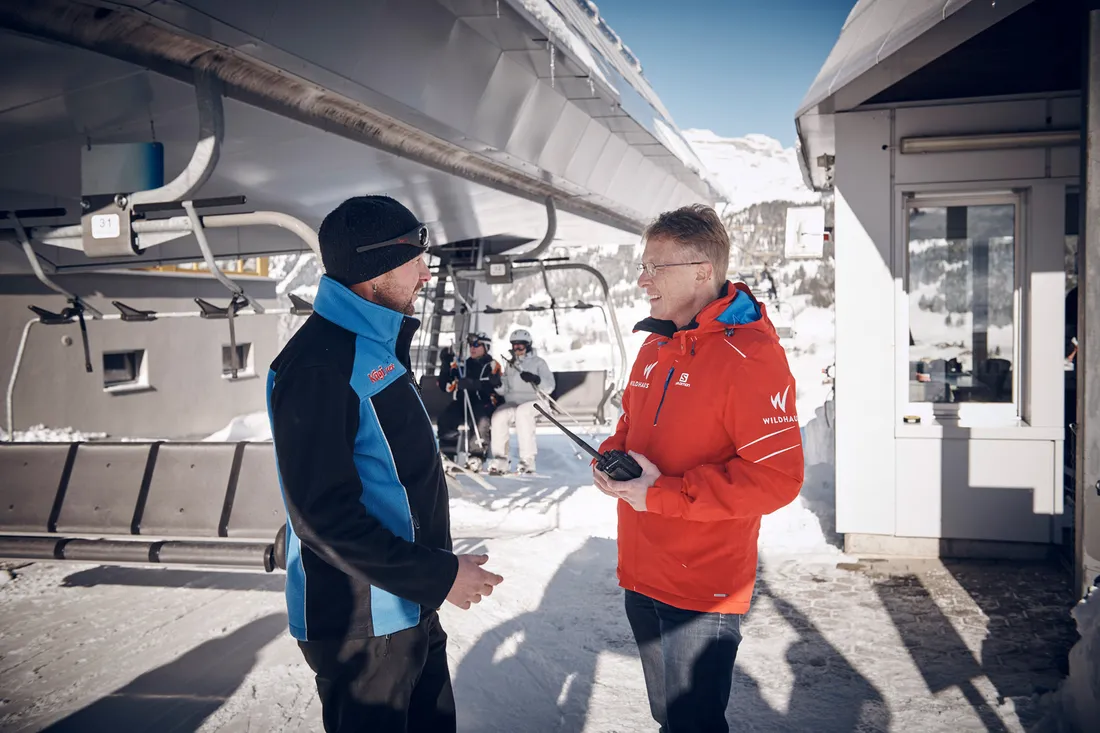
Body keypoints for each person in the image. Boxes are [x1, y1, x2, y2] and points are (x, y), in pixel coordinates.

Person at [267, 195, 504, 733]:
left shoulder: (373, 349)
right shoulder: (318, 366)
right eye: (414, 259)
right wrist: (438, 575)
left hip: (409, 608)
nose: (425, 274)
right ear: (372, 267)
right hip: (361, 628)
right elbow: (322, 518)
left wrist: (434, 571)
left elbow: (389, 482)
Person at [592, 204, 804, 732]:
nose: (641, 281)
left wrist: (658, 494)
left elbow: (778, 478)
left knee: (693, 724)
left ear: (702, 272)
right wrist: (611, 456)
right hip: (642, 572)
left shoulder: (750, 358)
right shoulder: (656, 345)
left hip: (701, 587)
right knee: (669, 717)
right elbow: (632, 424)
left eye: (654, 268)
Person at [488, 328, 556, 475]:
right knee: (499, 415)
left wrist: (536, 379)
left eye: (521, 345)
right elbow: (505, 390)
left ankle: (528, 460)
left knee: (523, 413)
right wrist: (497, 384)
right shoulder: (511, 365)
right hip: (514, 402)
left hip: (536, 402)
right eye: (514, 345)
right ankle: (501, 459)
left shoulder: (538, 363)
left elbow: (550, 386)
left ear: (528, 345)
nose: (517, 348)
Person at [437, 332, 502, 471]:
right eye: (471, 345)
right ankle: (447, 453)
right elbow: (446, 386)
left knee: (481, 420)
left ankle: (476, 455)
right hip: (463, 401)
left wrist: (474, 384)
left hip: (483, 401)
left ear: (486, 347)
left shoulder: (492, 365)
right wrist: (445, 364)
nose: (473, 348)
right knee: (447, 417)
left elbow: (496, 384)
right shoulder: (462, 365)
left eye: (477, 345)